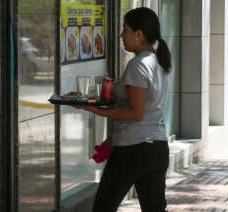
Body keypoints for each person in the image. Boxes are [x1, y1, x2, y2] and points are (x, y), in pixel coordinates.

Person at [73, 7, 172, 212]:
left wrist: (98, 111)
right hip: (157, 146)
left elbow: (136, 113)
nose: (121, 35)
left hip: (133, 148)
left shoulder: (138, 64)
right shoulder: (158, 61)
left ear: (139, 34)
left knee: (103, 207)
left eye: (124, 29)